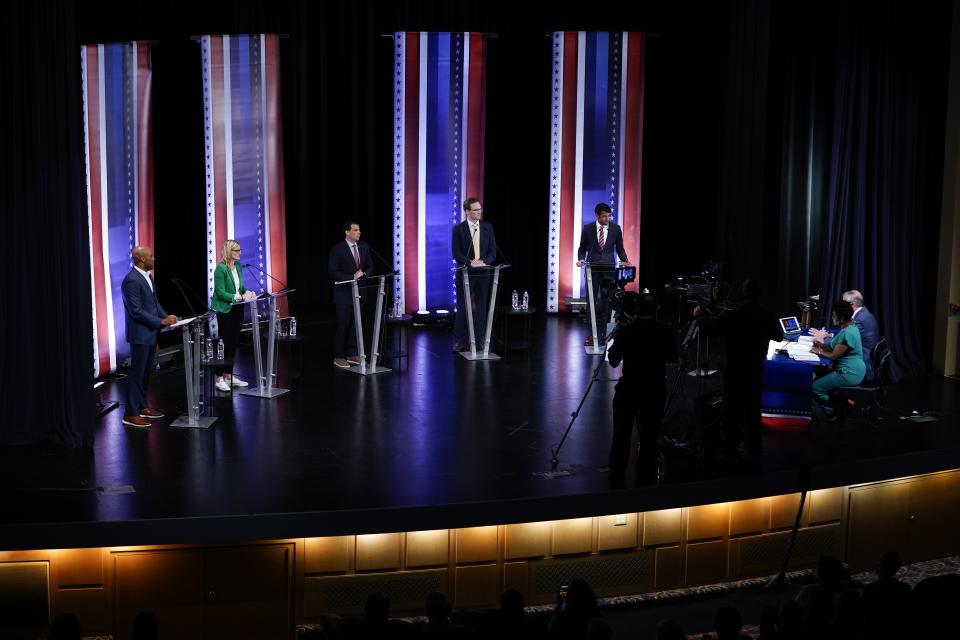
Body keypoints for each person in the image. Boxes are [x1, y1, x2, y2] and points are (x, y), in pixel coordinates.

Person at [694, 278, 781, 457]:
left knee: (732, 410)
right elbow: (779, 336)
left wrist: (700, 318)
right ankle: (754, 448)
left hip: (735, 370)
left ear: (744, 293)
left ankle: (731, 449)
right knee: (753, 410)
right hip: (755, 370)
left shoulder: (733, 315)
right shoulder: (766, 315)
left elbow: (710, 330)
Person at [607, 293, 677, 485]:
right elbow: (673, 357)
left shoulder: (627, 331)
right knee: (650, 436)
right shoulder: (664, 332)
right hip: (654, 390)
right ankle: (645, 475)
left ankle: (616, 474)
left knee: (621, 434)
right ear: (656, 311)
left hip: (629, 388)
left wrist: (618, 335)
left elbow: (613, 361)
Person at [121, 246, 177, 428]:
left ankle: (142, 406)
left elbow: (154, 304)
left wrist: (167, 317)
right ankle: (130, 413)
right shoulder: (131, 280)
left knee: (145, 374)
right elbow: (136, 311)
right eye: (151, 256)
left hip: (151, 333)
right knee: (136, 374)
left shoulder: (148, 277)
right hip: (140, 335)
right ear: (141, 260)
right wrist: (161, 322)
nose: (154, 258)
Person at [577, 203, 628, 346]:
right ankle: (591, 335)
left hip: (609, 271)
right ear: (597, 215)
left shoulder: (616, 229)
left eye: (609, 216)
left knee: (608, 304)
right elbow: (582, 248)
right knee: (591, 303)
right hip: (592, 270)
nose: (607, 218)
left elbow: (620, 248)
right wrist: (581, 259)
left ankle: (606, 335)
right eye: (604, 216)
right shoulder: (587, 229)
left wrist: (625, 260)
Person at [452, 197, 498, 352]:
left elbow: (493, 250)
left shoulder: (487, 227)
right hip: (466, 273)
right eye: (475, 210)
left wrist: (484, 261)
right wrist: (469, 262)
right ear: (467, 212)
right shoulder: (458, 229)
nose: (479, 212)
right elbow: (456, 253)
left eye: (480, 209)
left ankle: (479, 340)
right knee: (463, 307)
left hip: (483, 272)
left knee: (481, 307)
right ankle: (460, 340)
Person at [210, 240, 257, 392]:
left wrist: (248, 292)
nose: (240, 253)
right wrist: (239, 297)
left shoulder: (238, 267)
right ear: (229, 252)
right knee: (223, 343)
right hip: (225, 310)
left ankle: (229, 376)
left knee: (233, 343)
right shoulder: (220, 269)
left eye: (240, 250)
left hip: (238, 309)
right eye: (237, 250)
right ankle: (219, 378)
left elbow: (240, 287)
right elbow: (220, 293)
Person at [810, 298, 866, 420]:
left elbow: (834, 356)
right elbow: (833, 346)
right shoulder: (850, 328)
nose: (832, 317)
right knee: (819, 378)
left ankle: (836, 410)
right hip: (850, 369)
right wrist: (821, 345)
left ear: (841, 317)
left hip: (849, 373)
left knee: (815, 388)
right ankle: (843, 405)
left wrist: (818, 351)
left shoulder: (847, 333)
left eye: (834, 315)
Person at [328, 220, 374, 368]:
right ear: (347, 232)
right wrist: (352, 277)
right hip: (344, 294)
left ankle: (352, 353)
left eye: (359, 230)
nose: (359, 232)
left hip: (360, 292)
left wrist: (364, 273)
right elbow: (333, 272)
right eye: (355, 230)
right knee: (343, 325)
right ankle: (339, 356)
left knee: (357, 324)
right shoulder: (338, 249)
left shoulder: (364, 246)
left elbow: (369, 265)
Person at [809, 289, 880, 380]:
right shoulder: (864, 314)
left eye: (844, 302)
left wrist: (822, 340)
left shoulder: (860, 320)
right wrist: (828, 336)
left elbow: (845, 341)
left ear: (852, 304)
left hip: (858, 367)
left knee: (819, 373)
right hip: (862, 359)